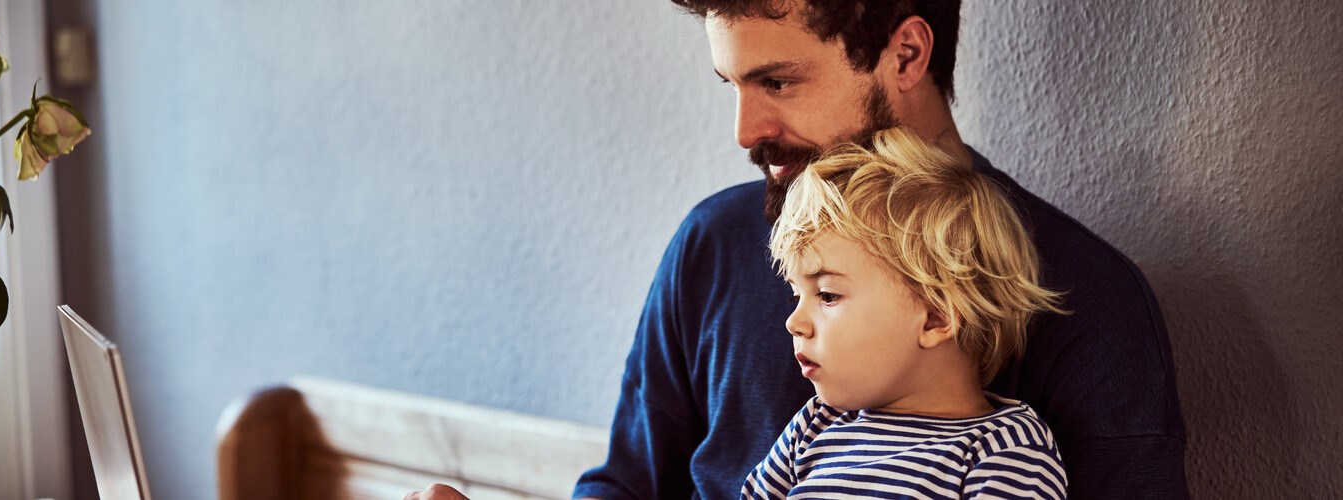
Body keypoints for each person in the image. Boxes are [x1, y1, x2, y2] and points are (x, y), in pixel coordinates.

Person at [410, 0, 1187, 498]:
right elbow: (630, 487)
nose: (745, 131)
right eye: (733, 86)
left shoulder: (1082, 300)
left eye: (778, 83)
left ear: (907, 55)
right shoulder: (713, 245)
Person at [743, 126, 1067, 498]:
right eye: (796, 295)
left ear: (936, 316)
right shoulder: (815, 425)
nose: (794, 322)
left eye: (828, 295)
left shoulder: (1004, 452)